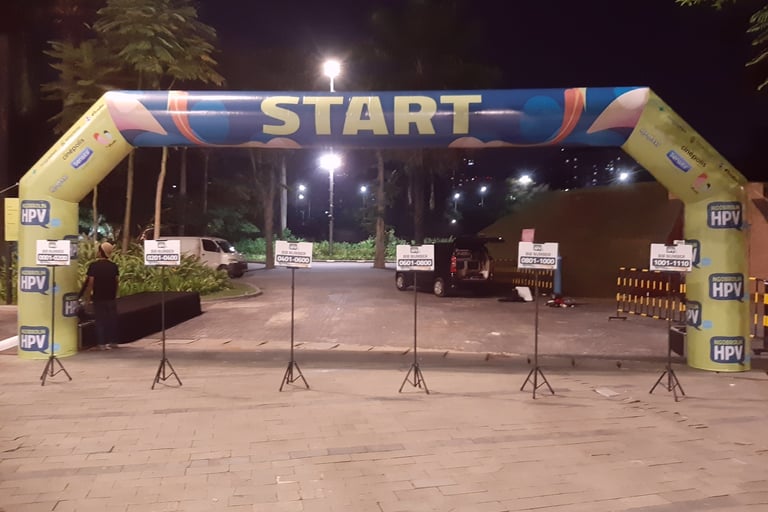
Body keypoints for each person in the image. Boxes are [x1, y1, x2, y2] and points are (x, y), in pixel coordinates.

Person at [79, 242, 119, 350]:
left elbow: (90, 283)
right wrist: (115, 294)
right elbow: (116, 282)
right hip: (111, 297)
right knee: (112, 320)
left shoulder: (94, 266)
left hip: (99, 297)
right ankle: (113, 342)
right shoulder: (113, 266)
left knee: (100, 320)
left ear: (101, 252)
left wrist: (87, 297)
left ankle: (101, 344)